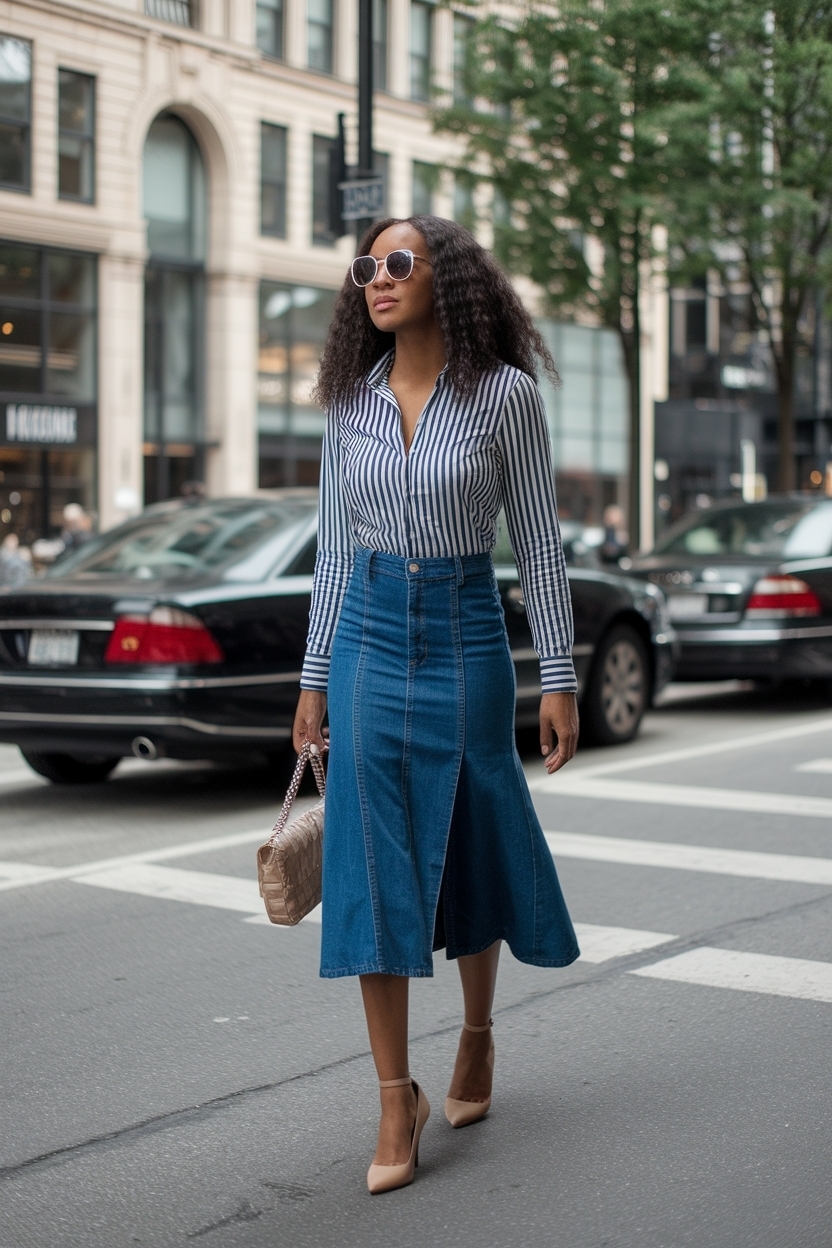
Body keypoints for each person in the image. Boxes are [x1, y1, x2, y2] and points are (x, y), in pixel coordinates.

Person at [292, 216, 580, 1196]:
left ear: (444, 278)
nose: (377, 278)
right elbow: (332, 547)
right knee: (372, 859)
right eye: (366, 266)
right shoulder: (347, 404)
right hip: (370, 631)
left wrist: (560, 676)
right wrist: (312, 675)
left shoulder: (505, 399)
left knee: (466, 836)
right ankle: (391, 1096)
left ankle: (478, 1034)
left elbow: (538, 545)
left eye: (398, 263)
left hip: (463, 631)